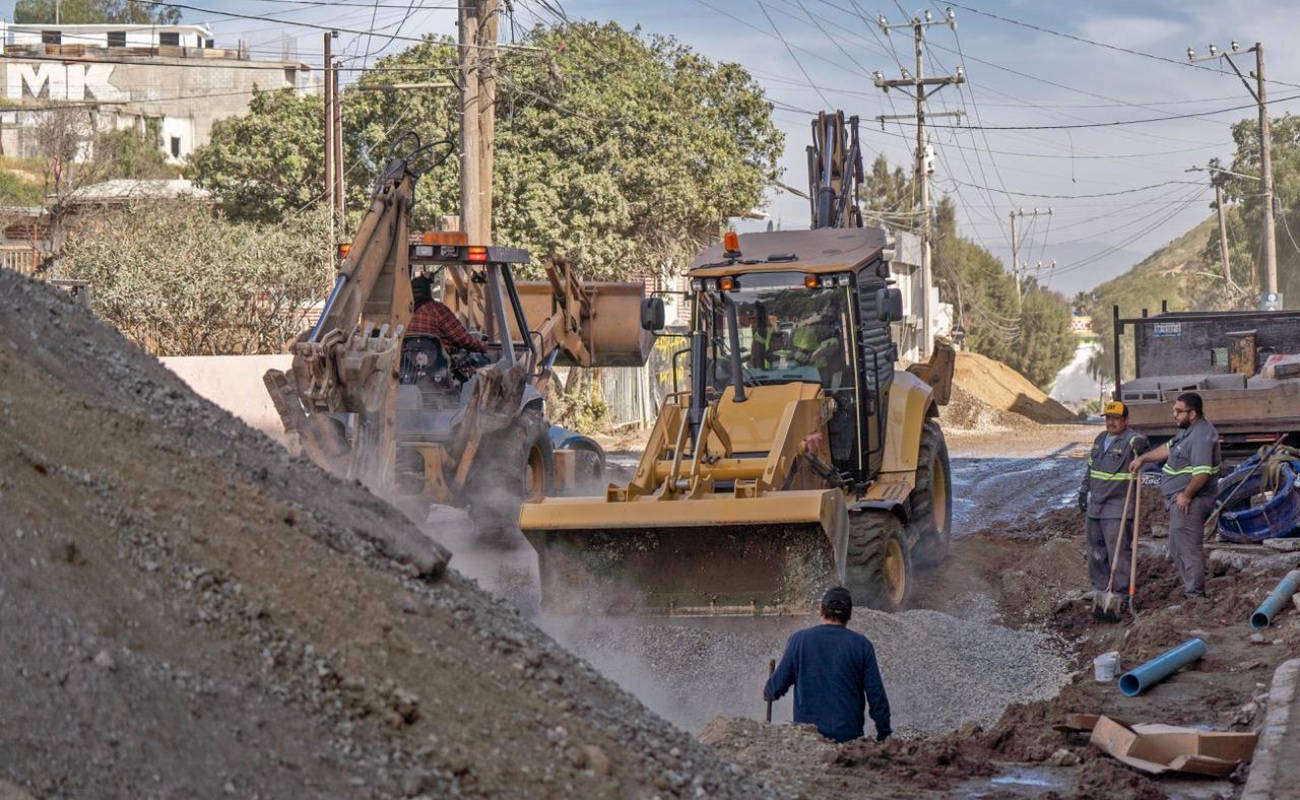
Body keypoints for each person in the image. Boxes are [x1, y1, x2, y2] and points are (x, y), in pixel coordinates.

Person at [762, 586, 892, 744]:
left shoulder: (799, 640)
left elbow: (777, 687)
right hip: (849, 739)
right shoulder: (862, 645)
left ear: (821, 609)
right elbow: (876, 696)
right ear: (849, 615)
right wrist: (884, 733)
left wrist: (768, 691)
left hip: (809, 738)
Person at [1130, 392, 1220, 598]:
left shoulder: (1201, 436)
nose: (1174, 415)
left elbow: (1203, 473)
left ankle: (1195, 596)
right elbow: (1167, 449)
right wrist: (1143, 459)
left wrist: (1186, 495)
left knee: (1188, 549)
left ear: (1193, 413)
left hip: (1191, 502)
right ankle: (1191, 588)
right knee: (1177, 546)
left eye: (1179, 411)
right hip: (1179, 500)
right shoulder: (1189, 431)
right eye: (1174, 411)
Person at [1079, 401, 1149, 606]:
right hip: (1096, 504)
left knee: (1117, 551)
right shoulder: (1100, 439)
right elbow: (1091, 468)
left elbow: (1143, 441)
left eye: (1115, 419)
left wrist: (1140, 445)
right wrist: (1084, 490)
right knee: (1095, 550)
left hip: (1117, 505)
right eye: (1108, 418)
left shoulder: (1130, 440)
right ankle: (1100, 589)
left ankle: (1120, 593)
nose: (1111, 422)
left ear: (1125, 420)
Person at [407, 275, 486, 354]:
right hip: (438, 363)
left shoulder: (401, 312)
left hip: (406, 362)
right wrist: (480, 346)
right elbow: (461, 338)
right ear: (428, 292)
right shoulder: (438, 309)